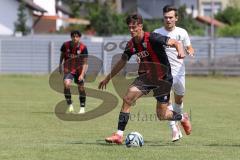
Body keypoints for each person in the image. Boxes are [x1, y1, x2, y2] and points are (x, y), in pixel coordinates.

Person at [98, 13, 191, 144]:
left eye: (134, 27)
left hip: (163, 78)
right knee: (127, 98)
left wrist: (180, 51)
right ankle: (119, 135)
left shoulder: (152, 38)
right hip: (146, 77)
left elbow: (175, 42)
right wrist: (108, 78)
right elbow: (122, 61)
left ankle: (182, 118)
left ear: (140, 26)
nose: (131, 30)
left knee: (162, 115)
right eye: (129, 27)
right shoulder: (131, 44)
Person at [154, 5, 195, 142]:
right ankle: (174, 130)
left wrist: (190, 50)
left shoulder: (182, 32)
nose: (168, 20)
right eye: (166, 17)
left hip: (179, 73)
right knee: (166, 102)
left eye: (171, 17)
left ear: (176, 18)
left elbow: (189, 46)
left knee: (179, 99)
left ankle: (180, 119)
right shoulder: (157, 32)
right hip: (163, 73)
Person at [59, 30, 88, 114]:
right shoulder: (65, 45)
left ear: (79, 37)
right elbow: (62, 56)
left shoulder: (83, 48)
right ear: (71, 37)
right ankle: (70, 104)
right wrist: (60, 65)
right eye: (73, 36)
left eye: (77, 36)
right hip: (69, 69)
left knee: (81, 88)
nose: (75, 38)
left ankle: (82, 107)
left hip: (80, 69)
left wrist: (82, 74)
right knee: (66, 84)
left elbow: (85, 63)